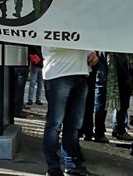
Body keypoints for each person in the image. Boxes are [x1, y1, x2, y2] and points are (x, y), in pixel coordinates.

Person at [42, 47, 98, 176]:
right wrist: (81, 45)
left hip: (79, 74)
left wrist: (91, 52)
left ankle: (72, 165)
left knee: (73, 125)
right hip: (58, 74)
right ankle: (53, 167)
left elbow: (84, 41)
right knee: (55, 124)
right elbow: (51, 45)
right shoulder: (50, 26)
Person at [81, 51, 109, 143]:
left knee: (88, 99)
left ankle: (87, 131)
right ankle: (98, 132)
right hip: (99, 63)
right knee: (99, 100)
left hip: (89, 64)